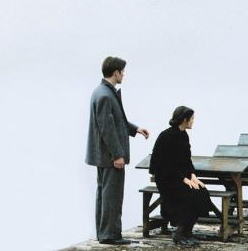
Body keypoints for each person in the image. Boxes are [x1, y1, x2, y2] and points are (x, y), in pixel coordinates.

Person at [86, 56, 150, 245]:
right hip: (110, 156)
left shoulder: (101, 92)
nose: (124, 75)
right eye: (123, 72)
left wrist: (135, 129)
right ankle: (110, 235)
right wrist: (117, 155)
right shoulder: (105, 95)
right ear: (116, 72)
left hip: (102, 155)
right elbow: (107, 127)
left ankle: (104, 233)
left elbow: (115, 120)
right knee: (112, 196)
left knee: (104, 195)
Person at [149, 106, 216, 246]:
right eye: (191, 119)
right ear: (185, 120)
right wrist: (183, 178)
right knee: (189, 195)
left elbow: (186, 160)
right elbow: (163, 164)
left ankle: (187, 231)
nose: (193, 122)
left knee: (201, 192)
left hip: (180, 177)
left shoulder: (184, 135)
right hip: (166, 179)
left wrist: (192, 176)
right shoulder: (166, 136)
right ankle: (179, 232)